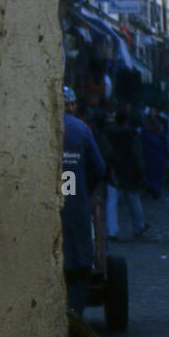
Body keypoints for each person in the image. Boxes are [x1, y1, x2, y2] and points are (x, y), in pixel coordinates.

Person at [61, 86, 106, 316]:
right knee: (79, 265)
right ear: (73, 105)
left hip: (47, 210)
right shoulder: (81, 129)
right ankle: (75, 315)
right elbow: (99, 169)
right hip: (76, 207)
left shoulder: (37, 129)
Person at [103, 103, 147, 240]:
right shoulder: (132, 135)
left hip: (114, 168)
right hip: (129, 169)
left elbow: (106, 151)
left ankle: (112, 230)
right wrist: (140, 171)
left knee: (112, 200)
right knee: (133, 199)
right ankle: (139, 226)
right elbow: (136, 155)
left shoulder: (109, 132)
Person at [141, 108, 168, 198]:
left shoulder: (149, 127)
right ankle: (155, 189)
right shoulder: (149, 127)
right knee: (155, 173)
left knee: (154, 173)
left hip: (154, 153)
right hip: (154, 153)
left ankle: (154, 188)